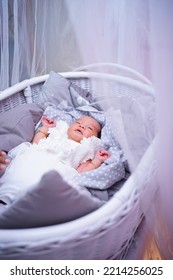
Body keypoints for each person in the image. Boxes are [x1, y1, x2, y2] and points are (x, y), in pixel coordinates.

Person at [0, 115, 110, 205]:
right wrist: (45, 128)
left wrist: (97, 160)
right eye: (78, 122)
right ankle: (5, 195)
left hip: (56, 169)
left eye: (90, 128)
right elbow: (37, 144)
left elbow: (82, 172)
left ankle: (23, 204)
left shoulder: (86, 148)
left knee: (36, 188)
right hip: (35, 158)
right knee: (17, 175)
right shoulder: (58, 133)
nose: (82, 126)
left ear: (94, 138)